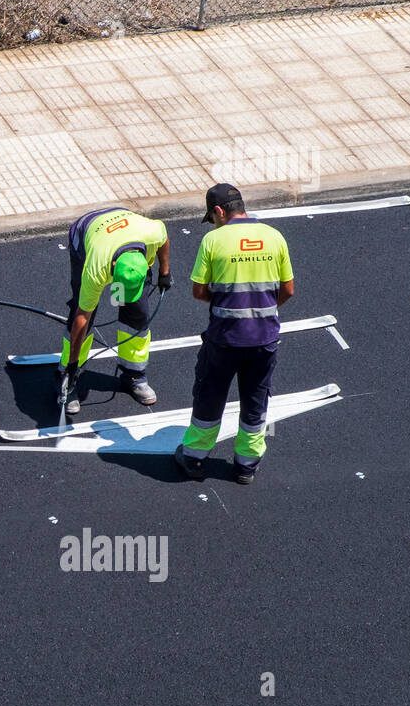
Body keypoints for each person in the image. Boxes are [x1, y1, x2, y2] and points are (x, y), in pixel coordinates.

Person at [175, 184, 294, 485]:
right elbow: (288, 290)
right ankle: (245, 466)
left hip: (224, 339)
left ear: (218, 211)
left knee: (210, 395)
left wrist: (227, 302)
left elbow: (198, 291)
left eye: (212, 217)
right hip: (265, 338)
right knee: (255, 399)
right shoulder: (274, 237)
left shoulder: (213, 240)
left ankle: (195, 458)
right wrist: (261, 307)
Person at [59, 206, 172, 415]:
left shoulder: (151, 234)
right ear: (111, 266)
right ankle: (68, 377)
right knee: (82, 310)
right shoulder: (97, 266)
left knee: (137, 312)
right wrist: (72, 364)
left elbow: (163, 236)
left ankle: (134, 375)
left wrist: (164, 272)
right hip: (86, 232)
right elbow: (83, 317)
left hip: (126, 227)